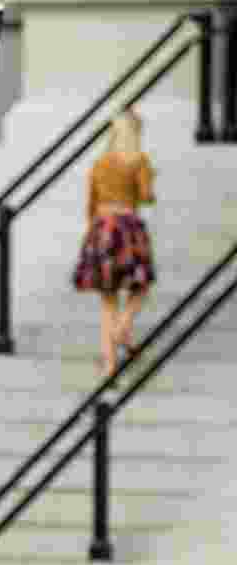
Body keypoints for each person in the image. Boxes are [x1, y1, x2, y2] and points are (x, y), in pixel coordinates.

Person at [73, 108, 157, 378]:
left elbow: (91, 202)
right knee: (140, 286)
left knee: (108, 299)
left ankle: (109, 365)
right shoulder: (139, 161)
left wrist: (92, 232)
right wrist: (149, 182)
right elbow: (146, 195)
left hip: (102, 227)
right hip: (127, 228)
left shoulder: (100, 163)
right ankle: (123, 329)